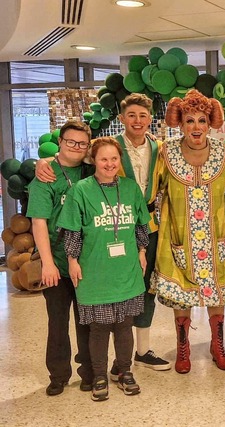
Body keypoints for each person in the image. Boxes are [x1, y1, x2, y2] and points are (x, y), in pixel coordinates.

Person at [35, 93, 170, 373]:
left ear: (150, 120)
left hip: (138, 227)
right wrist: (43, 161)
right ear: (121, 119)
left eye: (143, 116)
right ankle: (74, 371)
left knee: (141, 292)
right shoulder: (105, 147)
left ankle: (132, 353)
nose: (138, 121)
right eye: (131, 115)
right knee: (82, 313)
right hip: (85, 243)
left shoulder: (160, 147)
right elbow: (70, 154)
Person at [150, 89, 225, 374]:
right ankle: (183, 347)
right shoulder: (165, 151)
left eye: (202, 120)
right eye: (189, 121)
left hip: (217, 237)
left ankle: (217, 344)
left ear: (210, 121)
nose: (196, 127)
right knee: (182, 295)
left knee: (217, 293)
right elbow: (155, 192)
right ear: (180, 123)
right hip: (178, 235)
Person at [58, 137, 150, 401]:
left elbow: (141, 225)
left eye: (114, 159)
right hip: (94, 270)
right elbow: (72, 230)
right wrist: (73, 260)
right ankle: (99, 375)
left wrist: (142, 251)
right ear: (93, 161)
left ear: (119, 161)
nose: (109, 164)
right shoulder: (81, 190)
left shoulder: (131, 189)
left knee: (124, 325)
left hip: (126, 270)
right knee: (98, 328)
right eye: (103, 159)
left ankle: (124, 372)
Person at [27, 120, 93, 396]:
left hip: (88, 262)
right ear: (61, 142)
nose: (76, 148)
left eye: (82, 143)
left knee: (88, 320)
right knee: (57, 322)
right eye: (70, 142)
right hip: (56, 259)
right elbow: (39, 221)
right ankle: (58, 374)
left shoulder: (92, 170)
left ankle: (89, 371)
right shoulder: (46, 175)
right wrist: (48, 264)